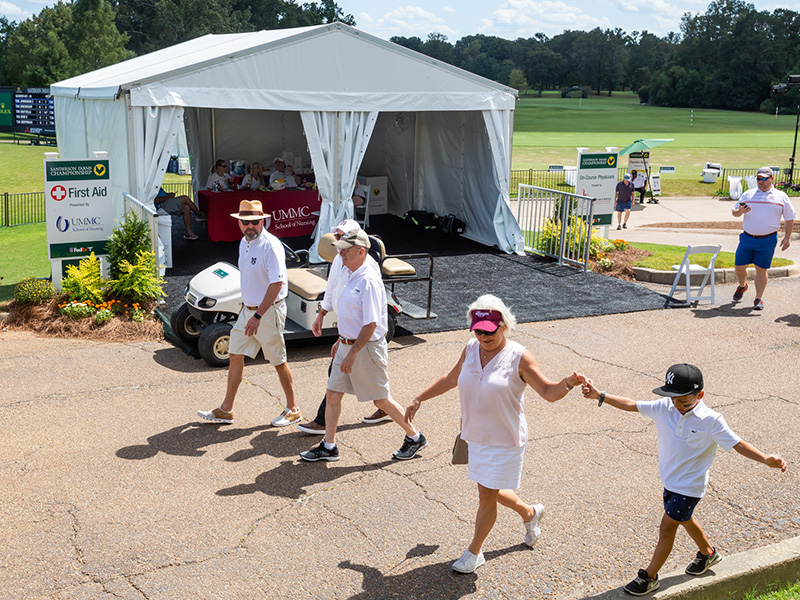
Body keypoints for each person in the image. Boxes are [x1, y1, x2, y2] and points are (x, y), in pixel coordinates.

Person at [404, 295, 589, 574]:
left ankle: (474, 552)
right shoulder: (470, 348)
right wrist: (420, 397)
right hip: (475, 435)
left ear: (504, 325)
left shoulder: (519, 356)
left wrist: (568, 383)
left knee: (486, 496)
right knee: (488, 489)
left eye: (489, 331)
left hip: (505, 438)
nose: (483, 336)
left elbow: (549, 393)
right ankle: (530, 513)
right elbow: (451, 379)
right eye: (478, 330)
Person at [581, 364, 787, 596]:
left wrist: (765, 459)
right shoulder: (664, 408)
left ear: (700, 395)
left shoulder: (711, 420)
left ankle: (649, 577)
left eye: (685, 402)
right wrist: (600, 395)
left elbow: (738, 444)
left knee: (667, 527)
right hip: (670, 482)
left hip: (690, 487)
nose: (678, 406)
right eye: (673, 399)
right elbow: (632, 405)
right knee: (686, 520)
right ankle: (708, 554)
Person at [299, 228, 426, 462]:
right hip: (349, 345)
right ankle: (329, 446)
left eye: (345, 250)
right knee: (333, 393)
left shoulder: (368, 280)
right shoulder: (351, 271)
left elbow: (370, 324)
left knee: (380, 400)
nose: (340, 254)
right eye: (340, 250)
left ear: (361, 251)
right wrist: (342, 341)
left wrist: (352, 352)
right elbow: (352, 315)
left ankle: (415, 437)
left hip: (366, 348)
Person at [198, 199, 301, 427]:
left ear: (263, 220)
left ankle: (293, 409)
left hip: (268, 312)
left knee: (278, 361)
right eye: (245, 222)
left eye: (254, 222)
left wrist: (257, 315)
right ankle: (226, 410)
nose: (250, 226)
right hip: (249, 311)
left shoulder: (271, 246)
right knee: (235, 354)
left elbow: (276, 285)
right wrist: (247, 307)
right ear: (239, 223)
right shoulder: (244, 243)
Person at [296, 220, 391, 435]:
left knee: (373, 392)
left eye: (341, 236)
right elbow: (332, 288)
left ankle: (411, 433)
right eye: (336, 236)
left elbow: (369, 318)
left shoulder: (366, 271)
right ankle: (329, 436)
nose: (337, 241)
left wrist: (352, 345)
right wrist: (322, 314)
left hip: (364, 337)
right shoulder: (341, 258)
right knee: (340, 387)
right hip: (348, 331)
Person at [731, 166, 795, 310]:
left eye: (764, 179)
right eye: (758, 179)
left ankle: (758, 299)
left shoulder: (781, 196)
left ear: (772, 179)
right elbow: (734, 212)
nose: (761, 181)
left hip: (768, 239)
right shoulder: (748, 194)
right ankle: (742, 286)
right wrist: (739, 211)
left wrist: (787, 238)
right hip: (747, 238)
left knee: (761, 269)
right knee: (739, 267)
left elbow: (790, 218)